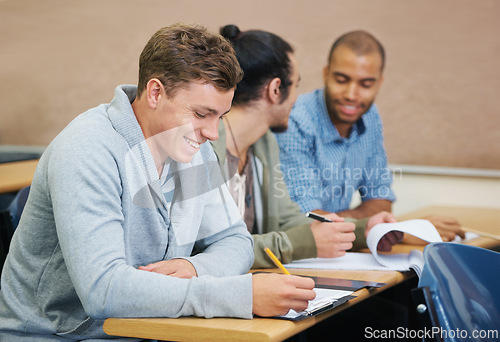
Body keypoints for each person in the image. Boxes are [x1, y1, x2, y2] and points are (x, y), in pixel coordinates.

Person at [0, 24, 316, 340]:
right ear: (155, 93)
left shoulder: (192, 151)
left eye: (220, 116)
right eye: (202, 113)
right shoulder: (88, 149)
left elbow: (236, 241)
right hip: (50, 336)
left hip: (143, 330)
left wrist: (195, 269)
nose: (212, 133)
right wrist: (240, 295)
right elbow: (103, 289)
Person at [211, 25, 402, 269]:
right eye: (296, 85)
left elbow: (287, 219)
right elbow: (210, 251)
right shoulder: (205, 146)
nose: (296, 100)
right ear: (276, 90)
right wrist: (304, 241)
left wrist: (365, 229)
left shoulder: (264, 142)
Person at [275, 30, 465, 241]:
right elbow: (307, 221)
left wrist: (361, 222)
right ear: (326, 74)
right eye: (341, 80)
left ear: (379, 83)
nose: (351, 94)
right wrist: (387, 227)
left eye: (365, 84)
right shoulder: (294, 119)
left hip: (341, 249)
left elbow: (381, 200)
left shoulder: (370, 116)